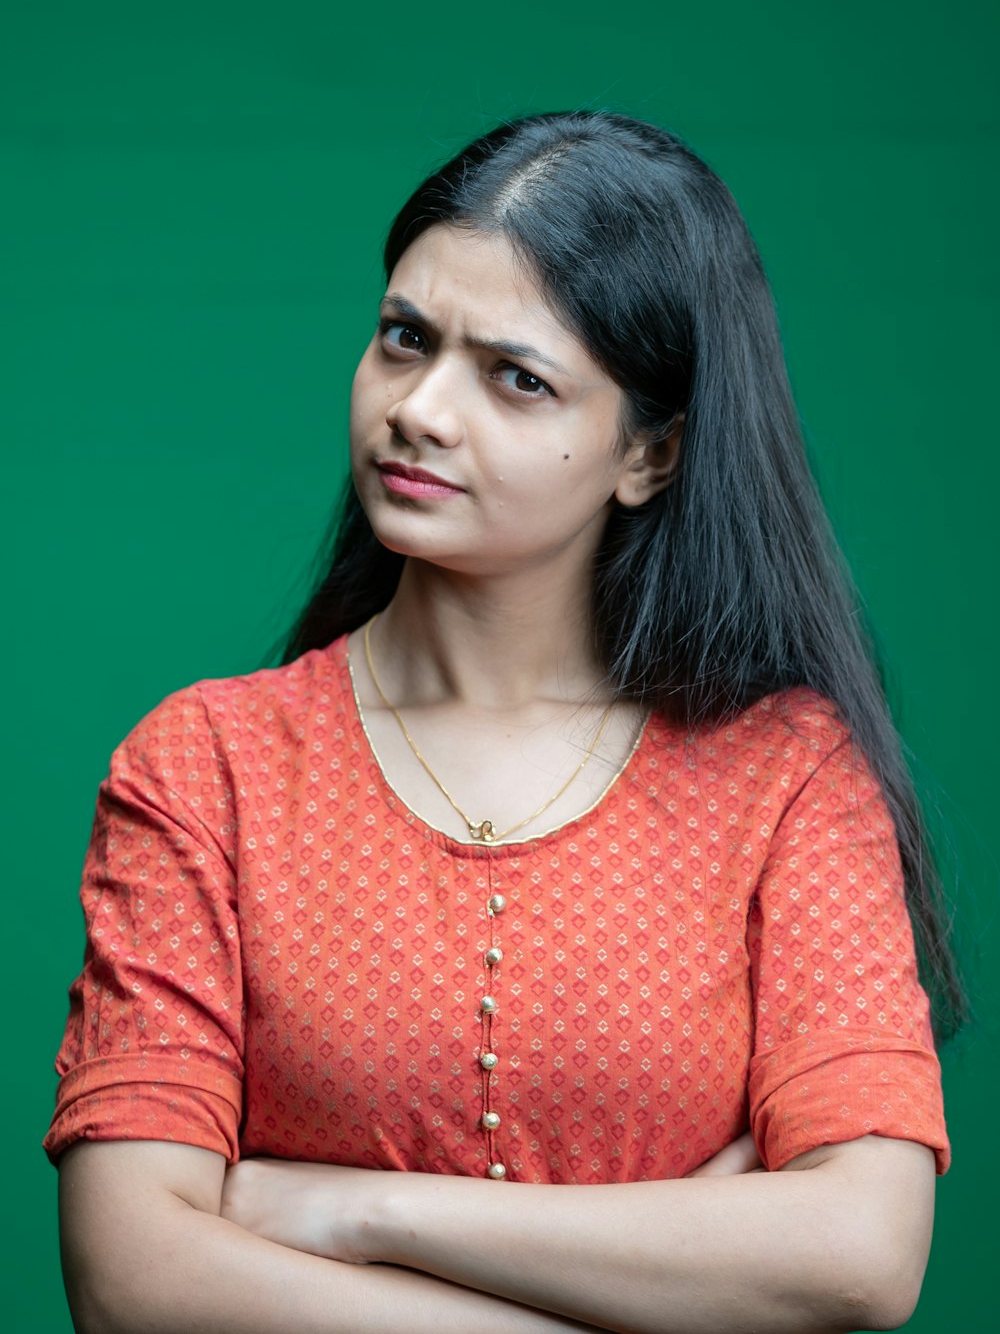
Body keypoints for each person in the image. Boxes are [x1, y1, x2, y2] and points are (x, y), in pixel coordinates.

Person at [45, 111, 961, 1334]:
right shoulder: (205, 767)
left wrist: (356, 1212)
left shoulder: (784, 775)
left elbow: (860, 1249)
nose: (421, 409)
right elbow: (132, 1278)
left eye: (515, 378)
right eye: (403, 339)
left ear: (649, 454)